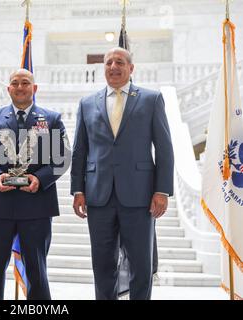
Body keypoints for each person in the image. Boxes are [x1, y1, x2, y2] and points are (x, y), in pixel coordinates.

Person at [70, 47, 174, 300]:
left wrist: (162, 190)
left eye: (119, 62)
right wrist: (78, 189)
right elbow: (79, 150)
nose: (113, 67)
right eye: (108, 63)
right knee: (102, 265)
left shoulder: (151, 99)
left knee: (141, 264)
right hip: (98, 196)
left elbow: (164, 148)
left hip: (139, 196)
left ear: (131, 68)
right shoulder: (87, 103)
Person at [0, 69, 70, 300]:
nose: (20, 87)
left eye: (25, 83)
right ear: (8, 89)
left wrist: (41, 178)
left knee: (37, 270)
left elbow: (64, 156)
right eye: (15, 83)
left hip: (37, 206)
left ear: (34, 88)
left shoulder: (51, 119)